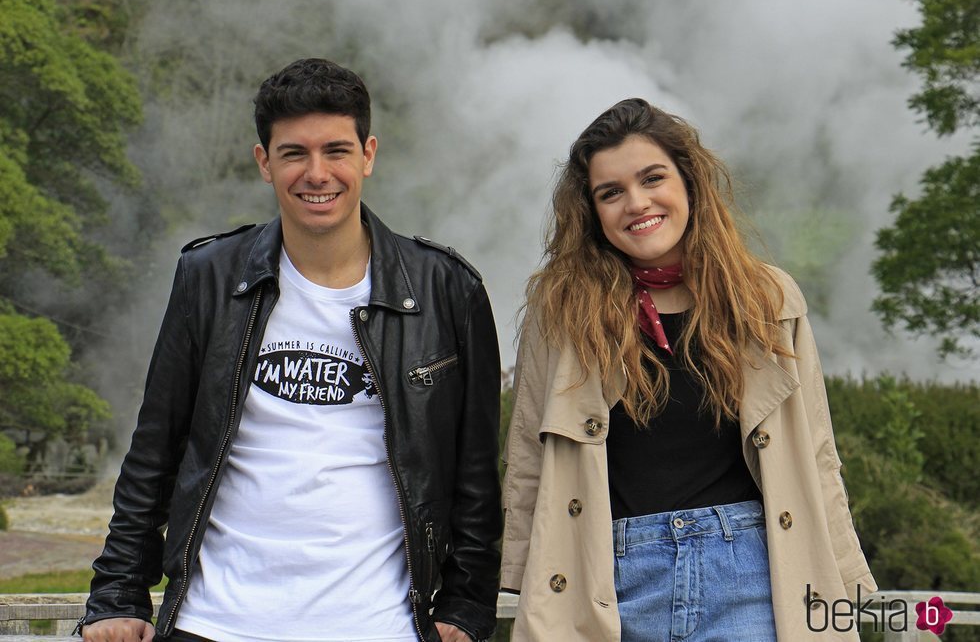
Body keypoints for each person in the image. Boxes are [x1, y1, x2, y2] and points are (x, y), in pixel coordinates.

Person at [78, 58, 502, 642]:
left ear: (368, 155)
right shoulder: (208, 276)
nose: (316, 172)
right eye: (294, 153)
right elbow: (155, 449)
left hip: (380, 626)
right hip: (213, 623)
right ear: (264, 163)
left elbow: (476, 474)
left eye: (336, 151)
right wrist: (118, 595)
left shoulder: (446, 290)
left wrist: (467, 607)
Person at [500, 98, 876, 641]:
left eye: (653, 178)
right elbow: (530, 457)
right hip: (607, 579)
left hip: (752, 577)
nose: (636, 203)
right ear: (591, 212)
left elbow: (815, 452)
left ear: (689, 183)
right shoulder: (561, 308)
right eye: (611, 192)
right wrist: (519, 576)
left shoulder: (766, 300)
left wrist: (849, 582)